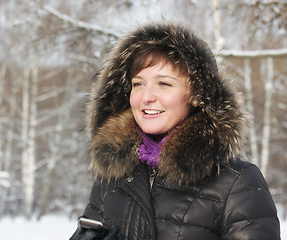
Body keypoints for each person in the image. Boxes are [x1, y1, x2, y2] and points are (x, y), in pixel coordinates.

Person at [70, 22, 280, 240]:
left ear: (197, 95)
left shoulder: (237, 182)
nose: (146, 97)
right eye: (138, 84)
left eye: (164, 84)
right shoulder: (112, 177)